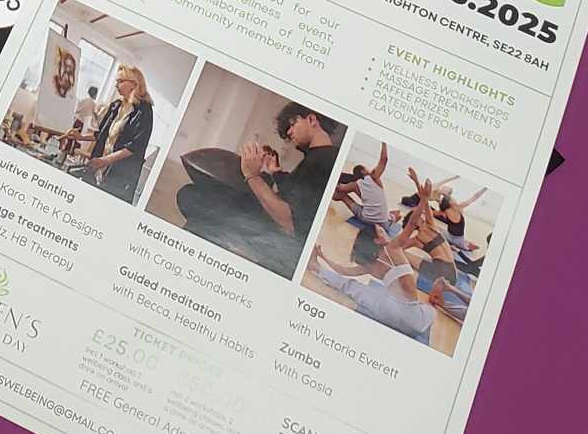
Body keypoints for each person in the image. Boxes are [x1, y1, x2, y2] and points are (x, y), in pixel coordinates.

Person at [177, 102, 341, 277]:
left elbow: (291, 222)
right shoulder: (318, 157)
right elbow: (296, 193)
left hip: (277, 237)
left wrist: (252, 176)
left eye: (292, 125)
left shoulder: (323, 161)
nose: (289, 133)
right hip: (270, 219)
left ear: (311, 119)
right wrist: (275, 171)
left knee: (194, 198)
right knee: (192, 194)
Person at [307, 239, 455, 344]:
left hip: (396, 313)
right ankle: (316, 266)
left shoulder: (380, 264)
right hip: (415, 322)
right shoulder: (398, 261)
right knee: (428, 311)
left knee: (351, 287)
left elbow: (343, 271)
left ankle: (315, 267)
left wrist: (323, 256)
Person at [79, 65, 153, 204]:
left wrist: (105, 160)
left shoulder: (144, 111)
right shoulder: (116, 106)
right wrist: (79, 136)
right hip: (100, 166)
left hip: (119, 174)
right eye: (116, 81)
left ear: (134, 84)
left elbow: (134, 147)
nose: (116, 85)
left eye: (120, 81)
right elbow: (100, 134)